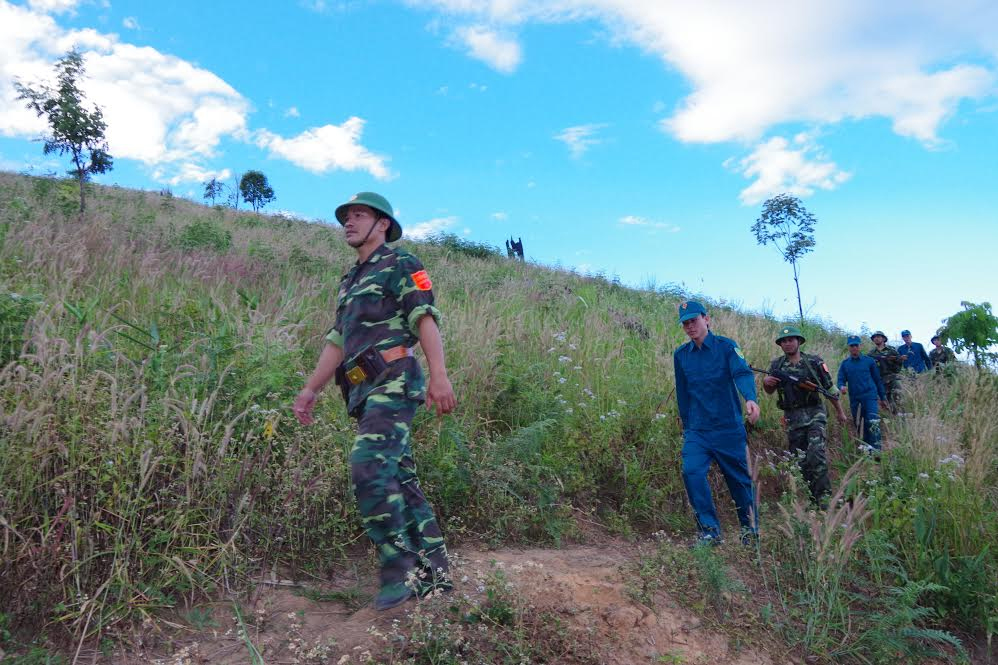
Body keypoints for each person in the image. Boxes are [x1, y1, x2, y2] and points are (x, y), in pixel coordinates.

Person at [292, 192, 457, 611]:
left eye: (358, 214)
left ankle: (398, 570)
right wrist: (311, 388)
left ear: (382, 223)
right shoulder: (349, 280)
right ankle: (434, 575)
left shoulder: (404, 264)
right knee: (400, 480)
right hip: (364, 391)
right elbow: (337, 340)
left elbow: (424, 318)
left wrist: (439, 376)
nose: (348, 221)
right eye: (345, 216)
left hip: (395, 380)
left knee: (368, 466)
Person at [673, 300, 761, 546]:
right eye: (685, 323)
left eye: (694, 320)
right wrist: (687, 425)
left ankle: (750, 531)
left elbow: (742, 373)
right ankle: (709, 532)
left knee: (739, 481)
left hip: (728, 429)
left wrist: (750, 399)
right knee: (691, 472)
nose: (690, 326)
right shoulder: (681, 356)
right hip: (698, 430)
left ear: (706, 319)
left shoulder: (727, 347)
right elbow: (683, 392)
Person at [762, 326, 848, 507]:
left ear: (799, 341)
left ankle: (824, 500)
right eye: (784, 341)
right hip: (792, 418)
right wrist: (766, 383)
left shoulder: (814, 362)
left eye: (791, 340)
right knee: (801, 461)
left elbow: (829, 389)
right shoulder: (777, 365)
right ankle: (812, 500)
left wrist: (840, 412)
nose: (787, 343)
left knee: (816, 454)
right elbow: (769, 391)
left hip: (815, 414)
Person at [837, 335, 888, 453]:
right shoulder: (845, 364)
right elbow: (840, 379)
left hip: (870, 396)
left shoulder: (869, 361)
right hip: (855, 398)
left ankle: (876, 452)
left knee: (872, 421)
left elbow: (877, 380)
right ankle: (866, 452)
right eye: (852, 346)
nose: (854, 347)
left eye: (856, 345)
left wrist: (883, 397)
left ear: (860, 346)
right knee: (859, 424)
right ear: (848, 347)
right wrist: (842, 386)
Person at [867, 331, 904, 410]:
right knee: (884, 401)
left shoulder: (891, 350)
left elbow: (899, 362)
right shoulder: (871, 353)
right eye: (874, 337)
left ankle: (900, 416)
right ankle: (890, 417)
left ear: (883, 339)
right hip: (879, 380)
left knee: (898, 397)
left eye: (878, 337)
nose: (876, 339)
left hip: (892, 378)